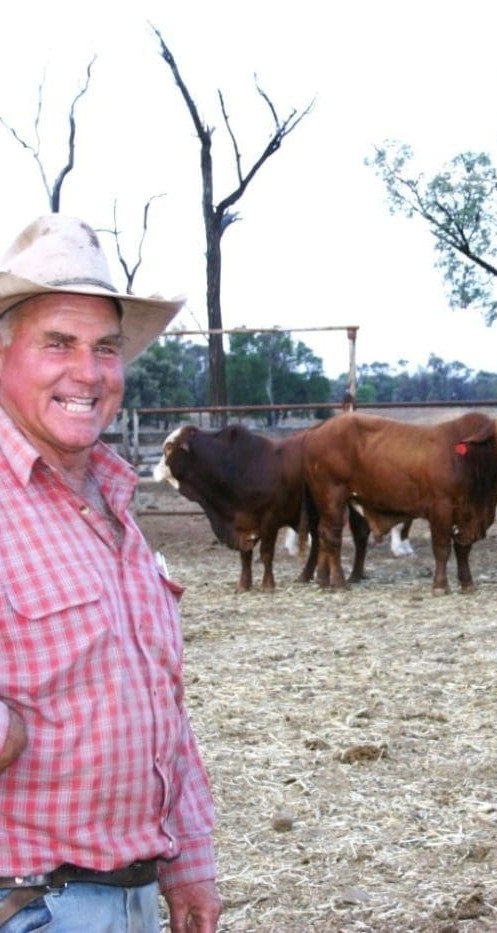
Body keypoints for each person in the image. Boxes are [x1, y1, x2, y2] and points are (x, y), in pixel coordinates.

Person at [0, 216, 222, 931]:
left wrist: (188, 860)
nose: (87, 373)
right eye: (57, 343)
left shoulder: (113, 497)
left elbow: (161, 697)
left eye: (105, 349)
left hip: (130, 897)